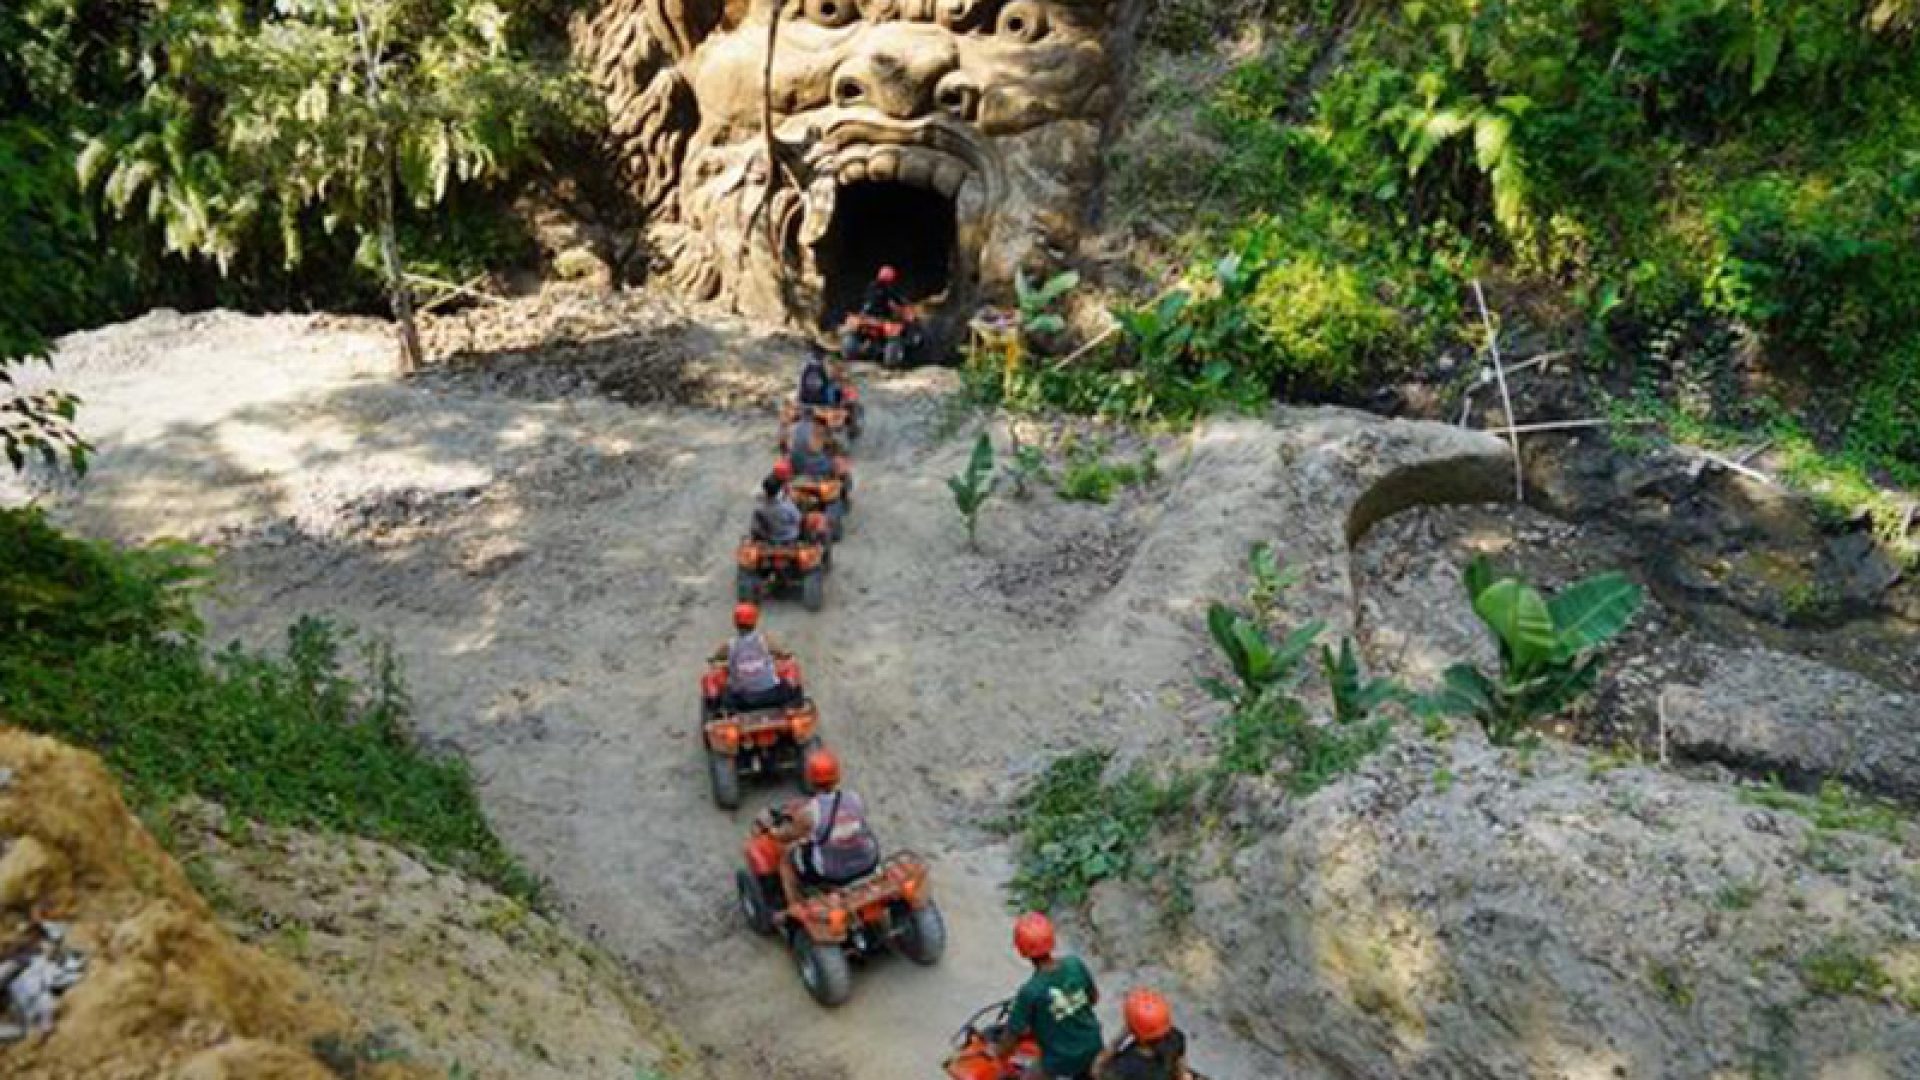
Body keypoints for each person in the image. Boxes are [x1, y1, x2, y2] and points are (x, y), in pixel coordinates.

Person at [763, 750, 882, 903]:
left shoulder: (810, 812)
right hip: (869, 861)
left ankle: (795, 907)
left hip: (834, 873)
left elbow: (785, 836)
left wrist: (772, 831)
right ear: (837, 776)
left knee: (786, 860)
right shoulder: (854, 798)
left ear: (810, 779)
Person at [998, 913, 1103, 1080]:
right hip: (1093, 1043)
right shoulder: (1074, 964)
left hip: (1061, 1060)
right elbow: (1094, 998)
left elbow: (1011, 1036)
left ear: (1021, 950)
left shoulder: (1030, 992)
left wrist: (997, 1053)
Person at [715, 602, 799, 712]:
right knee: (792, 680)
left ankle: (724, 714)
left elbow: (716, 657)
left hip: (743, 700)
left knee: (723, 691)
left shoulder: (730, 644)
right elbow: (781, 653)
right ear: (755, 621)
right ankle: (793, 708)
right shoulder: (763, 640)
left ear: (735, 623)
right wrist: (785, 655)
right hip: (771, 695)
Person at [1093, 990, 1190, 1080]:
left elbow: (1096, 1072)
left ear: (1131, 1029)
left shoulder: (1124, 1066)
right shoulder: (1175, 1038)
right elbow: (1182, 1072)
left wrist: (1118, 1041)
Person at [750, 464, 802, 545]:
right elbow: (798, 519)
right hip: (790, 536)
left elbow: (755, 526)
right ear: (779, 489)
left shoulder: (759, 508)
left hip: (771, 537)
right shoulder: (788, 505)